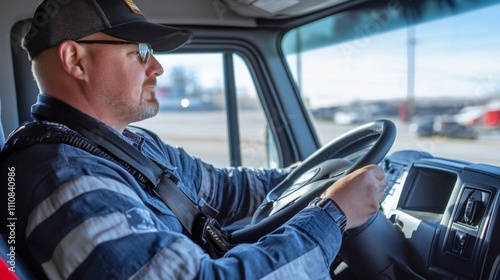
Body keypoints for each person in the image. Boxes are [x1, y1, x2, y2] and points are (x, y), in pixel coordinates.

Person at [0, 0, 387, 279]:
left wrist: (317, 176)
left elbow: (225, 188)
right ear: (75, 60)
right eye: (140, 52)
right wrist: (332, 215)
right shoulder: (66, 179)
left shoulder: (128, 146)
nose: (158, 67)